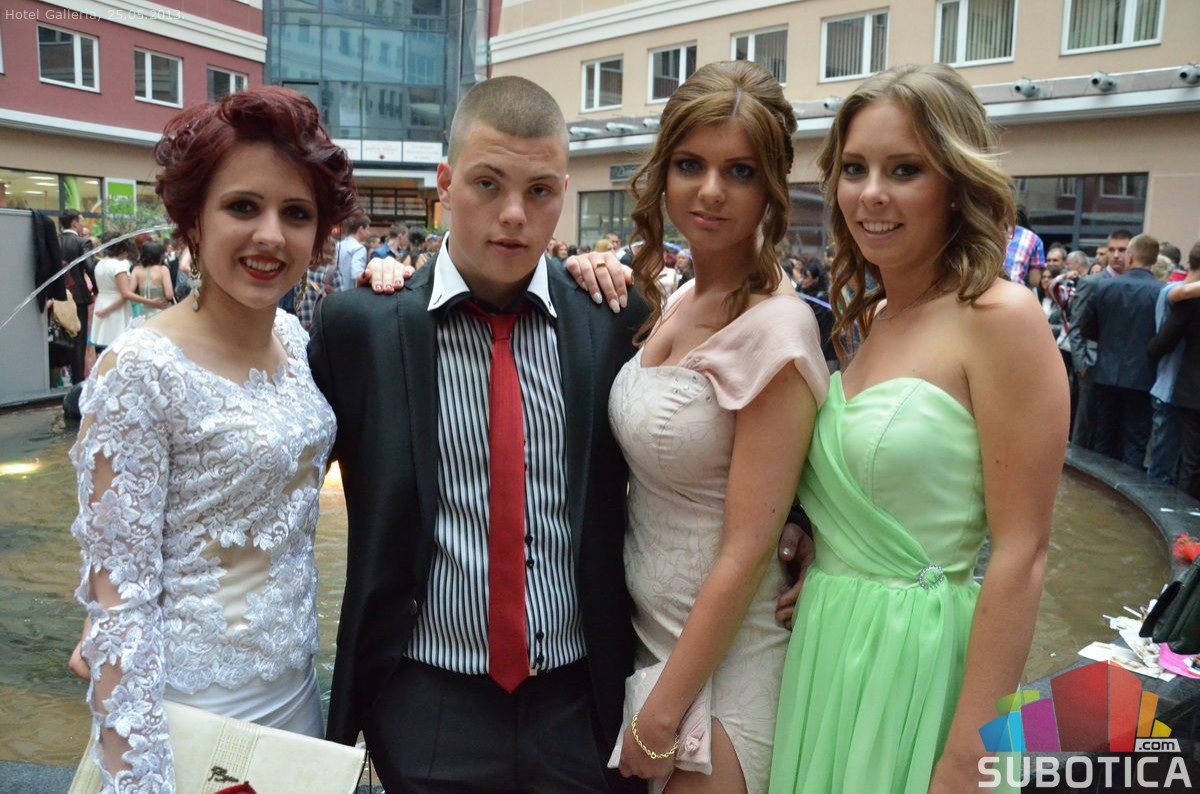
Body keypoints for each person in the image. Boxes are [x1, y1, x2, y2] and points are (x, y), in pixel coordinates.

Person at [310, 75, 648, 793]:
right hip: (428, 702)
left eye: (540, 191)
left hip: (578, 702)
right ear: (445, 184)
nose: (514, 215)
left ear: (563, 194)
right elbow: (272, 476)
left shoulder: (610, 321)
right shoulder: (361, 329)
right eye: (487, 184)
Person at [769, 63, 1067, 793]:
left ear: (956, 183)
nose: (872, 193)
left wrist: (972, 752)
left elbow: (1023, 552)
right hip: (829, 645)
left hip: (923, 663)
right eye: (854, 169)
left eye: (905, 169)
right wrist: (829, 552)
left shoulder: (1002, 318)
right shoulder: (872, 318)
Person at [67, 85, 358, 792]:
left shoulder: (296, 340)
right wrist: (140, 777)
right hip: (190, 713)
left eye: (296, 213)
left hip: (297, 696)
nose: (271, 236)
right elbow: (121, 604)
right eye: (243, 207)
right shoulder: (139, 369)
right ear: (193, 219)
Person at [562, 61, 826, 794]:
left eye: (739, 171)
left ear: (771, 186)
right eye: (690, 165)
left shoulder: (779, 329)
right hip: (653, 647)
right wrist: (583, 273)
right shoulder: (676, 298)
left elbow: (747, 547)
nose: (710, 191)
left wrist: (660, 716)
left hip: (729, 670)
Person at [1077, 233, 1162, 468]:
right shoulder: (1160, 292)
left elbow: (1087, 328)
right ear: (1154, 260)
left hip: (1105, 372)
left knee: (1103, 436)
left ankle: (1099, 485)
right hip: (1142, 375)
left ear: (1130, 257)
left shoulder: (1104, 287)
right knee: (1135, 440)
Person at [1149, 240, 1200, 498]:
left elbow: (1161, 343)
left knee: (1182, 460)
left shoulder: (1187, 297)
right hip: (1175, 387)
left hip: (1182, 388)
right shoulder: (1181, 294)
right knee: (1177, 460)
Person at [90, 235, 165, 354]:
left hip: (101, 302)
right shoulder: (118, 266)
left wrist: (104, 310)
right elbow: (126, 293)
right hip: (116, 308)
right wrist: (151, 302)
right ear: (122, 249)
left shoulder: (100, 264)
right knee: (118, 344)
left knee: (102, 343)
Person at [58, 209, 97, 384]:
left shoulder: (56, 241)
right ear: (74, 223)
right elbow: (89, 266)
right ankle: (78, 382)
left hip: (58, 296)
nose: (83, 224)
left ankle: (58, 378)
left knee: (60, 338)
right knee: (79, 341)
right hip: (79, 296)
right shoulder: (83, 242)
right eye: (81, 221)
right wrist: (96, 288)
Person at [130, 240, 175, 319]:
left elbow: (129, 293)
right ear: (159, 255)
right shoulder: (163, 269)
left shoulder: (136, 269)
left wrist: (147, 301)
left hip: (144, 312)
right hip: (162, 311)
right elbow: (169, 295)